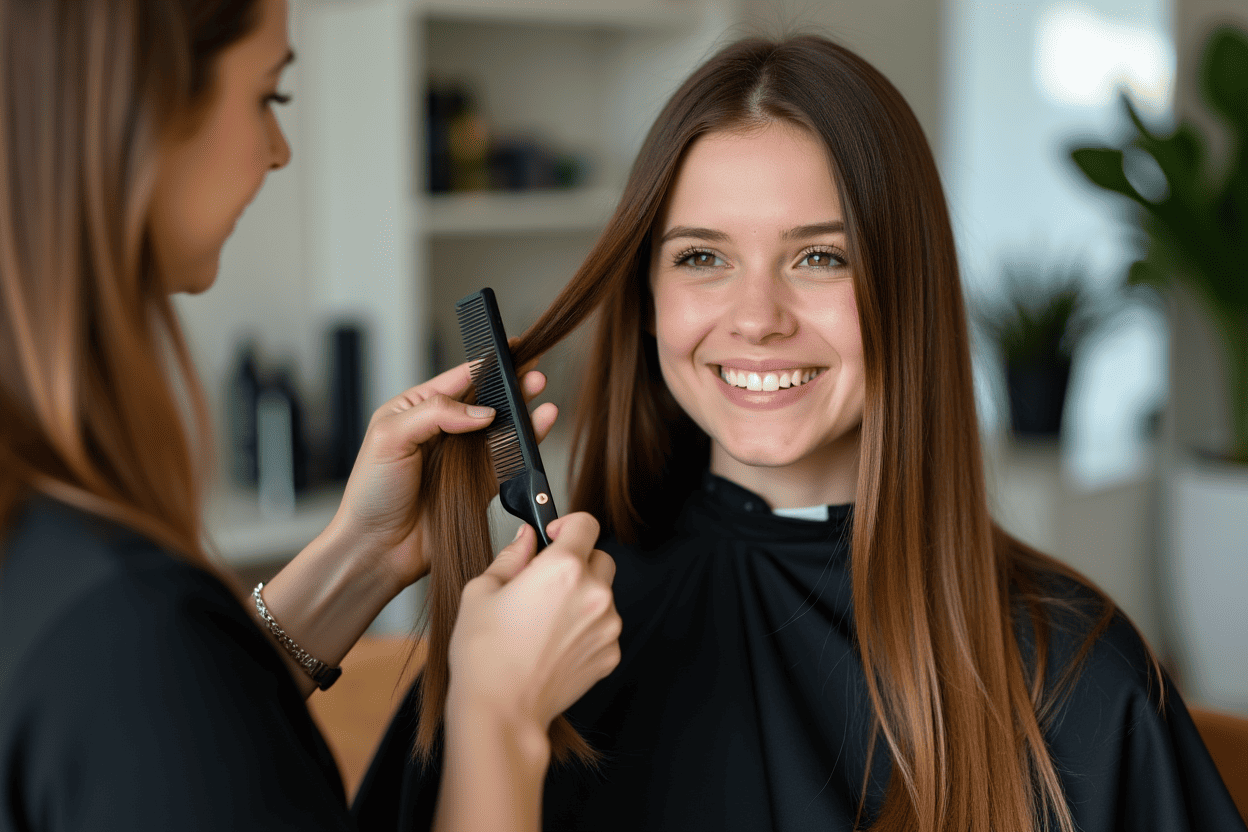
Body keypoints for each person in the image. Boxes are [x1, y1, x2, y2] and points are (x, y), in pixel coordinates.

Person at [350, 34, 1248, 832]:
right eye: (703, 257)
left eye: (820, 257)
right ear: (647, 297)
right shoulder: (525, 646)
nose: (757, 318)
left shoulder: (1075, 676)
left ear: (907, 290)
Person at [0, 1, 621, 830]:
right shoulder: (130, 631)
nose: (279, 149)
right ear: (142, 112)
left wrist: (364, 555)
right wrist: (500, 714)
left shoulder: (67, 567)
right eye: (269, 96)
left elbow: (175, 731)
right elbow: (154, 694)